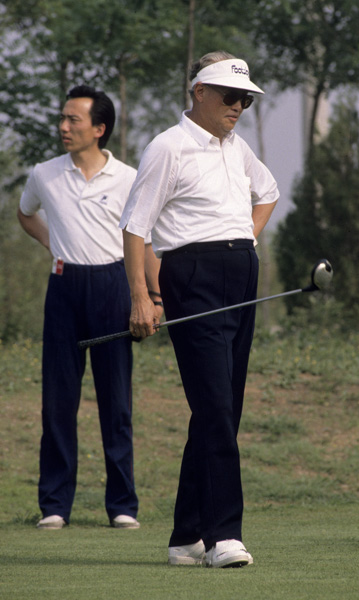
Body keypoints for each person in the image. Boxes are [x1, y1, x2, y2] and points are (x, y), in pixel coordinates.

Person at [120, 50, 279, 568]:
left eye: (246, 100)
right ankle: (223, 535)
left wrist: (242, 239)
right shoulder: (168, 147)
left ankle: (185, 535)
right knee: (214, 408)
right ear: (200, 93)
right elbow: (136, 228)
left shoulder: (237, 147)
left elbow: (269, 192)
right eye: (230, 97)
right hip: (191, 277)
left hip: (240, 273)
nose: (238, 107)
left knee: (221, 408)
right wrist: (143, 297)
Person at [18, 85, 162, 530]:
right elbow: (26, 214)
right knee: (57, 402)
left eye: (73, 120)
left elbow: (146, 240)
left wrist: (155, 297)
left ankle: (122, 505)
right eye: (62, 119)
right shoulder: (44, 173)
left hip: (112, 286)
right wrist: (52, 245)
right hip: (63, 288)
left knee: (116, 402)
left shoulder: (128, 177)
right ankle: (55, 505)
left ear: (99, 129)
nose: (63, 127)